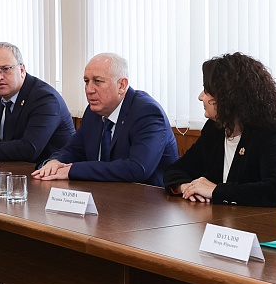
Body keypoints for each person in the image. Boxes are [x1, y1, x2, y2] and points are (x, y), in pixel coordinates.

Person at [163, 53, 276, 207]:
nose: (200, 97)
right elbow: (175, 170)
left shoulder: (271, 134)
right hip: (225, 218)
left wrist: (216, 190)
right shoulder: (214, 129)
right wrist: (186, 187)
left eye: (206, 91)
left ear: (229, 97)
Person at [31, 53, 178, 186]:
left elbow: (137, 169)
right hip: (106, 194)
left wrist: (71, 170)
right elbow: (74, 149)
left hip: (148, 200)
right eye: (86, 81)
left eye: (98, 81)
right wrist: (55, 162)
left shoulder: (147, 113)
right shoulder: (93, 111)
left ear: (122, 85)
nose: (89, 90)